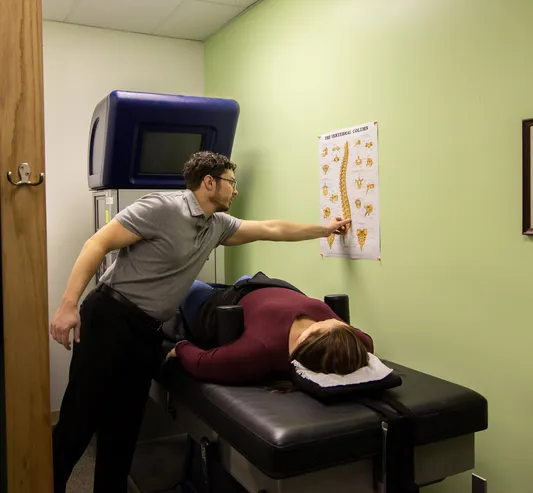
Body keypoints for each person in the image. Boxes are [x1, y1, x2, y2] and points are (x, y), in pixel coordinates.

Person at [49, 151, 351, 493]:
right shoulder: (161, 209)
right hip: (110, 318)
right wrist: (68, 304)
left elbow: (272, 228)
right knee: (79, 419)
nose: (235, 191)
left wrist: (324, 228)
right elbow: (97, 243)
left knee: (124, 428)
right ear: (210, 182)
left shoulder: (217, 226)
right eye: (231, 183)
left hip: (147, 333)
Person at [165, 274, 373, 385]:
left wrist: (180, 347)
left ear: (309, 337)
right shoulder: (343, 340)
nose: (336, 320)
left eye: (329, 323)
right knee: (243, 277)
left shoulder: (260, 349)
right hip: (260, 282)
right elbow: (367, 342)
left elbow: (202, 363)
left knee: (188, 284)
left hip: (224, 302)